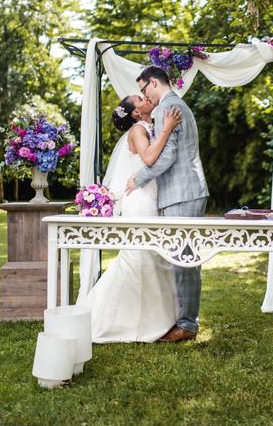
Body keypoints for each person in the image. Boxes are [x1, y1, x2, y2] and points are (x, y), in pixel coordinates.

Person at [78, 94, 182, 343]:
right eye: (140, 99)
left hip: (151, 197)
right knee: (139, 257)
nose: (146, 97)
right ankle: (103, 319)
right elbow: (148, 159)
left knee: (153, 257)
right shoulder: (137, 129)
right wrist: (167, 129)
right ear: (136, 112)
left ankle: (156, 320)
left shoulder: (147, 126)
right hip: (141, 202)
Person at [126, 65, 209, 343]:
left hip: (182, 192)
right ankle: (185, 320)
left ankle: (187, 325)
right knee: (186, 257)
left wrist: (138, 178)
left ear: (153, 82)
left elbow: (167, 157)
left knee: (185, 258)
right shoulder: (178, 104)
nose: (144, 95)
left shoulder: (165, 109)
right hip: (188, 190)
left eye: (143, 89)